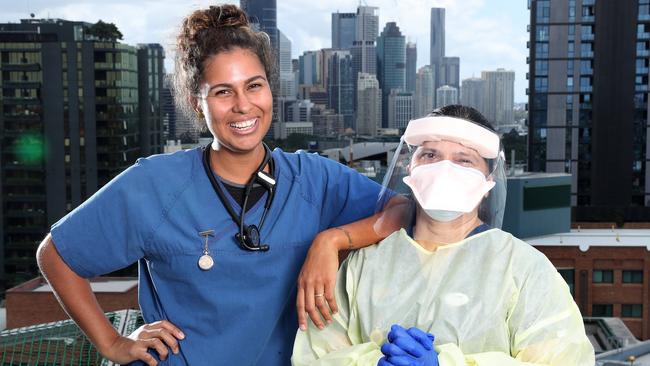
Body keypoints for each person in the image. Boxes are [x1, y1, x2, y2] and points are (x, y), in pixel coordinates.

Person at [36, 4, 402, 365]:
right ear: (198, 103)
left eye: (254, 86)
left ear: (270, 91)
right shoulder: (155, 184)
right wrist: (111, 343)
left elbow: (402, 210)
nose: (243, 106)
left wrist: (332, 240)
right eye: (223, 92)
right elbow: (55, 254)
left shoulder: (316, 179)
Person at [292, 105, 595, 366]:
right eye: (430, 155)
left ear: (488, 178)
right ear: (410, 167)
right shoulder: (362, 267)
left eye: (464, 160)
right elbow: (314, 356)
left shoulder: (523, 269)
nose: (444, 169)